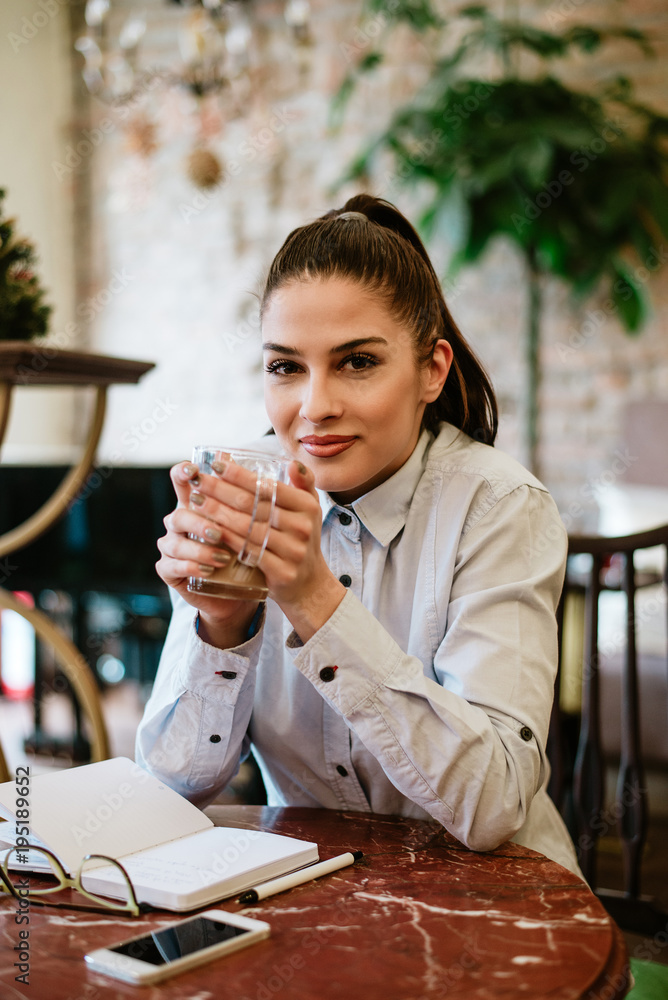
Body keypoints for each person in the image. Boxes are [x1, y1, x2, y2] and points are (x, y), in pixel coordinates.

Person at [136, 194, 582, 878]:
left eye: (357, 362)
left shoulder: (499, 507)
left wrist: (314, 599)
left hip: (497, 902)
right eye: (286, 366)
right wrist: (220, 626)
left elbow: (492, 807)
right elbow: (171, 787)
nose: (315, 407)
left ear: (431, 370)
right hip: (318, 898)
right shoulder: (246, 497)